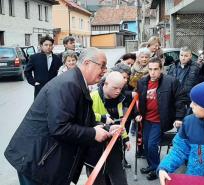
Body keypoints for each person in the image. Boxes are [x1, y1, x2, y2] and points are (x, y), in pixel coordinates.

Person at [4, 47, 119, 185]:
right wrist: (92, 133)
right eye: (103, 65)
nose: (105, 70)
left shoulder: (77, 82)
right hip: (36, 162)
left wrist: (105, 128)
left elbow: (80, 119)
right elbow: (59, 127)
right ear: (87, 62)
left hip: (46, 159)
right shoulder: (68, 85)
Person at [157, 77, 204, 185]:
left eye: (195, 103)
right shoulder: (189, 122)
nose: (190, 105)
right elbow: (179, 150)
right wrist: (164, 167)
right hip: (193, 179)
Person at [136, 57, 187, 180]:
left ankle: (156, 168)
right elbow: (137, 101)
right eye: (150, 69)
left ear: (161, 69)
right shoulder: (142, 82)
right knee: (146, 144)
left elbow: (180, 100)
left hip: (160, 120)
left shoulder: (171, 82)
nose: (152, 72)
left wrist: (179, 117)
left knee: (152, 145)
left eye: (155, 69)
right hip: (146, 119)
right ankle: (151, 165)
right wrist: (136, 113)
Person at [85, 71, 131, 185]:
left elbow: (120, 121)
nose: (118, 91)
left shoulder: (120, 98)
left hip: (114, 145)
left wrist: (125, 138)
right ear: (105, 84)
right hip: (94, 147)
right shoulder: (92, 97)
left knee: (119, 180)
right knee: (98, 180)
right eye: (115, 88)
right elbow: (84, 117)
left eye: (120, 88)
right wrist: (103, 119)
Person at [167, 46, 201, 117]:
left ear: (190, 56)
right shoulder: (173, 67)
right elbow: (168, 83)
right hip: (176, 100)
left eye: (186, 56)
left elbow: (200, 84)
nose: (183, 57)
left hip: (190, 101)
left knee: (188, 122)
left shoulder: (196, 67)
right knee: (178, 123)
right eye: (181, 55)